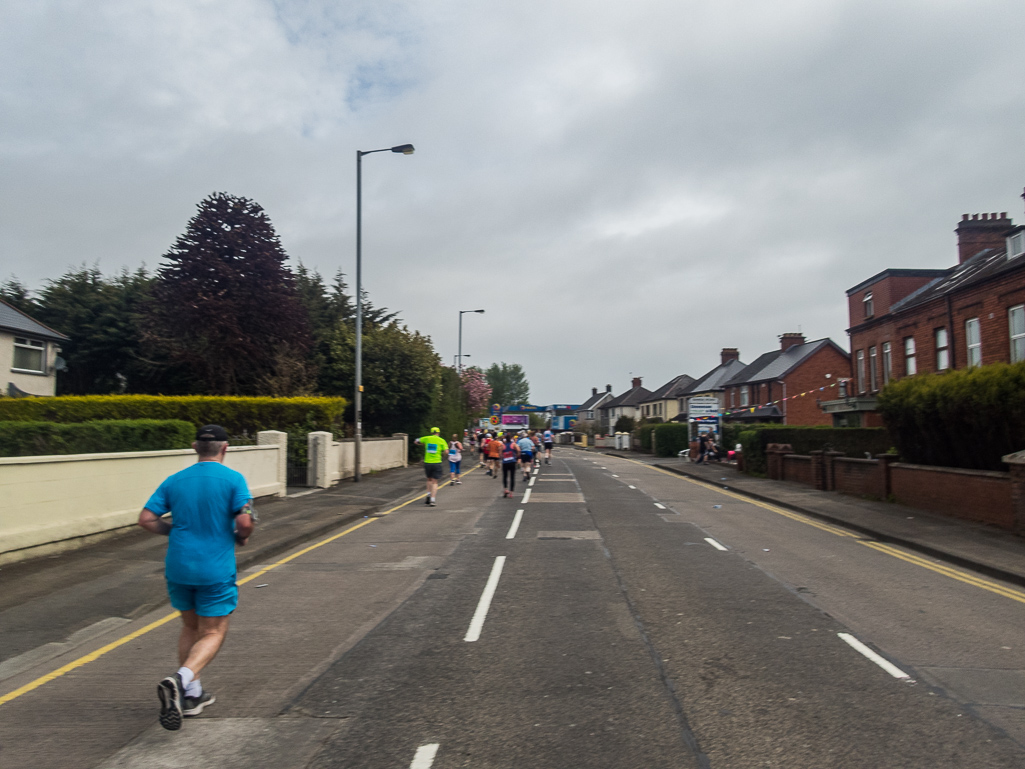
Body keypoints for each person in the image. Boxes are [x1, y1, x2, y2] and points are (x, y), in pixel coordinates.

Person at [138, 424, 255, 731]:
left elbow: (147, 519)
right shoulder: (234, 479)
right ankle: (182, 678)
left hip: (178, 566)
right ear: (225, 448)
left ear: (195, 447)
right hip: (214, 568)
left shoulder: (175, 480)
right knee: (213, 632)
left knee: (190, 626)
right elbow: (244, 520)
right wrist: (241, 536)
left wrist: (173, 531)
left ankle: (192, 695)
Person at [414, 427, 448, 506]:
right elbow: (446, 451)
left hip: (427, 462)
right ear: (438, 433)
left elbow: (416, 441)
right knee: (435, 481)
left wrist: (422, 444)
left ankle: (428, 494)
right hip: (437, 462)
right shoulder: (442, 440)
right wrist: (443, 454)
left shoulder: (427, 438)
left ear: (431, 432)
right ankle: (432, 500)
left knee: (429, 479)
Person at [500, 433, 520, 497]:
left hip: (505, 462)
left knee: (505, 476)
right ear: (511, 438)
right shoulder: (514, 444)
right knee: (512, 477)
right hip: (512, 462)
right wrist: (516, 456)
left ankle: (505, 489)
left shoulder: (502, 445)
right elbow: (519, 450)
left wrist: (503, 457)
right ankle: (511, 493)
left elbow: (500, 454)